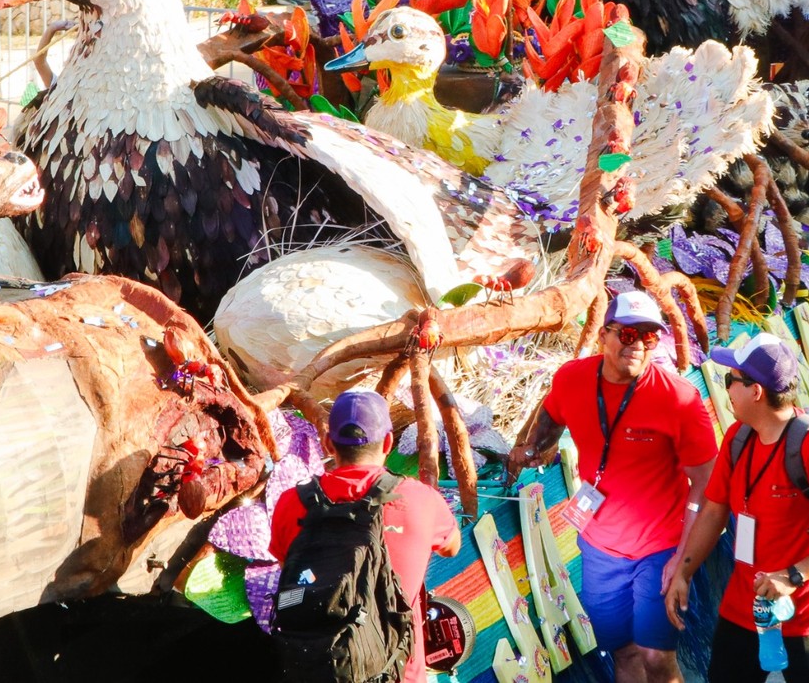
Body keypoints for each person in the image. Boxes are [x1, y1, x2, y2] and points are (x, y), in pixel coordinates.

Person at [507, 291, 716, 683]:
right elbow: (552, 415)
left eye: (649, 337)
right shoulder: (571, 378)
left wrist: (683, 560)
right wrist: (532, 447)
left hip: (660, 548)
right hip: (600, 548)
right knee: (623, 652)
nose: (637, 346)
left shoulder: (679, 399)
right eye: (627, 335)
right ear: (604, 334)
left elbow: (707, 483)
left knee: (656, 656)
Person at [663, 334, 809, 683]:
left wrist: (793, 576)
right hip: (745, 603)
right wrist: (684, 572)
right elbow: (714, 512)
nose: (726, 388)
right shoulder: (737, 437)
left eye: (731, 379)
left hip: (807, 611)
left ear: (756, 391)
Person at [267, 391, 460, 683]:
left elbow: (288, 567)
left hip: (316, 671)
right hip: (396, 674)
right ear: (388, 443)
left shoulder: (290, 503)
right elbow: (452, 547)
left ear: (328, 443)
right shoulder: (419, 499)